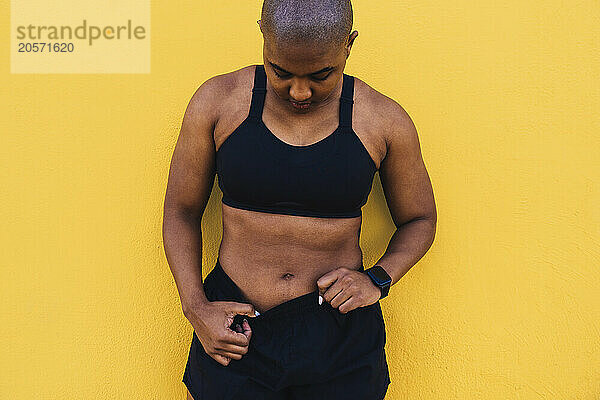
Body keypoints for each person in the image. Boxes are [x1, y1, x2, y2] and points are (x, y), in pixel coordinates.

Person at [163, 0, 436, 399]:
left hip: (339, 338)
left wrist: (378, 279)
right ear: (263, 37)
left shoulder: (383, 119)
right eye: (281, 72)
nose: (300, 91)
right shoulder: (219, 102)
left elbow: (420, 219)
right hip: (235, 332)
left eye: (321, 75)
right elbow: (181, 211)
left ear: (348, 46)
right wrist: (195, 307)